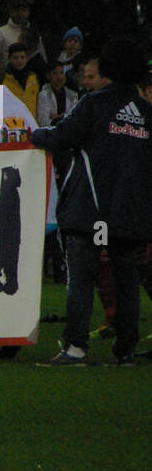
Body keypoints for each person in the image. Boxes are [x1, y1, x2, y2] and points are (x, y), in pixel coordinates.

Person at [31, 41, 152, 366]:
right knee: (126, 279)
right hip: (131, 213)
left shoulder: (94, 105)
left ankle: (75, 348)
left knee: (81, 278)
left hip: (92, 211)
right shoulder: (145, 113)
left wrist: (33, 135)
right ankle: (125, 350)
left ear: (108, 69)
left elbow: (59, 137)